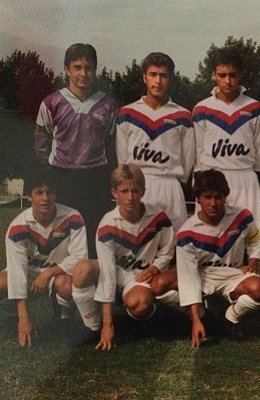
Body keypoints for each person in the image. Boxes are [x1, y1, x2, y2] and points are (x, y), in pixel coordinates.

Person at [71, 164, 178, 350]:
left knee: (140, 304)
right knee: (81, 270)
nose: (130, 197)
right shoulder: (107, 225)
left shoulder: (159, 218)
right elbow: (108, 273)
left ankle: (150, 318)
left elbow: (167, 250)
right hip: (113, 272)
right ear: (115, 193)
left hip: (139, 277)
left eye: (135, 191)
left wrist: (157, 267)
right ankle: (94, 328)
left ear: (143, 192)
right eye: (124, 191)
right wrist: (107, 324)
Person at [34, 43, 118, 257]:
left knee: (93, 236)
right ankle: (60, 284)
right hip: (62, 176)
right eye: (77, 67)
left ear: (95, 70)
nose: (83, 73)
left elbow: (111, 144)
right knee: (62, 236)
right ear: (67, 69)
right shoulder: (51, 102)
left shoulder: (108, 104)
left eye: (88, 68)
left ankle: (88, 283)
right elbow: (41, 142)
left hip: (95, 177)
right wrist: (49, 173)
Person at [177, 169, 260, 347]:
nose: (213, 203)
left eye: (218, 197)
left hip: (233, 274)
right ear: (198, 198)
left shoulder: (242, 217)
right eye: (207, 197)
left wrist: (253, 261)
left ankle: (230, 317)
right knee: (168, 289)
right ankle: (204, 317)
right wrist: (195, 320)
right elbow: (189, 279)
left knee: (259, 290)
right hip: (203, 276)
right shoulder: (186, 232)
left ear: (226, 196)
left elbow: (255, 238)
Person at [0, 170, 87, 347]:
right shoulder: (18, 227)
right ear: (29, 196)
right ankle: (13, 311)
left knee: (67, 284)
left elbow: (79, 257)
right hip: (29, 273)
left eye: (50, 192)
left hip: (57, 274)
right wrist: (24, 317)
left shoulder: (73, 217)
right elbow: (17, 271)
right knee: (2, 281)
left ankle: (63, 316)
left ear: (56, 194)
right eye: (39, 192)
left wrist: (48, 274)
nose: (45, 198)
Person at [116, 52, 195, 232]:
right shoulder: (127, 113)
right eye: (153, 75)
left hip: (169, 186)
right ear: (144, 77)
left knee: (174, 245)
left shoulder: (183, 115)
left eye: (163, 75)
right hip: (137, 185)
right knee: (136, 242)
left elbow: (187, 160)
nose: (158, 81)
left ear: (170, 79)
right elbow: (122, 160)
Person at [192, 47, 260, 236]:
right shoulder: (202, 109)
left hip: (244, 177)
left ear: (240, 75)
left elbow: (259, 152)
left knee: (249, 234)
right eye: (222, 75)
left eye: (232, 75)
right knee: (209, 235)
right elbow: (199, 152)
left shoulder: (254, 108)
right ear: (213, 75)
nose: (227, 81)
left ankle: (249, 266)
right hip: (213, 179)